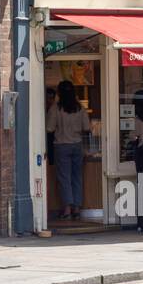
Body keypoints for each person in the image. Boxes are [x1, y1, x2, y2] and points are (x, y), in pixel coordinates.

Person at [46, 80, 90, 221]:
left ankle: (67, 209)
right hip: (77, 144)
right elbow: (87, 127)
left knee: (64, 178)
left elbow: (49, 128)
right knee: (77, 177)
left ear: (59, 93)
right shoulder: (80, 108)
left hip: (61, 145)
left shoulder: (56, 108)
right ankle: (76, 208)